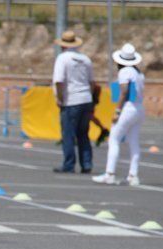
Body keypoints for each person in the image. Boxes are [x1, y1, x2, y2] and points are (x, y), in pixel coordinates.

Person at [93, 43, 145, 186]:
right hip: (139, 108)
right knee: (134, 141)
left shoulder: (125, 72)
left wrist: (117, 111)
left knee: (114, 139)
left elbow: (124, 91)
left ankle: (110, 173)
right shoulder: (139, 74)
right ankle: (133, 175)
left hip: (128, 108)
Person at [52, 30, 94, 174]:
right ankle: (86, 163)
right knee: (83, 133)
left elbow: (59, 80)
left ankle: (69, 164)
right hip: (86, 98)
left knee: (68, 134)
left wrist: (59, 98)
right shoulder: (85, 59)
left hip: (71, 100)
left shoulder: (63, 58)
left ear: (63, 45)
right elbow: (92, 82)